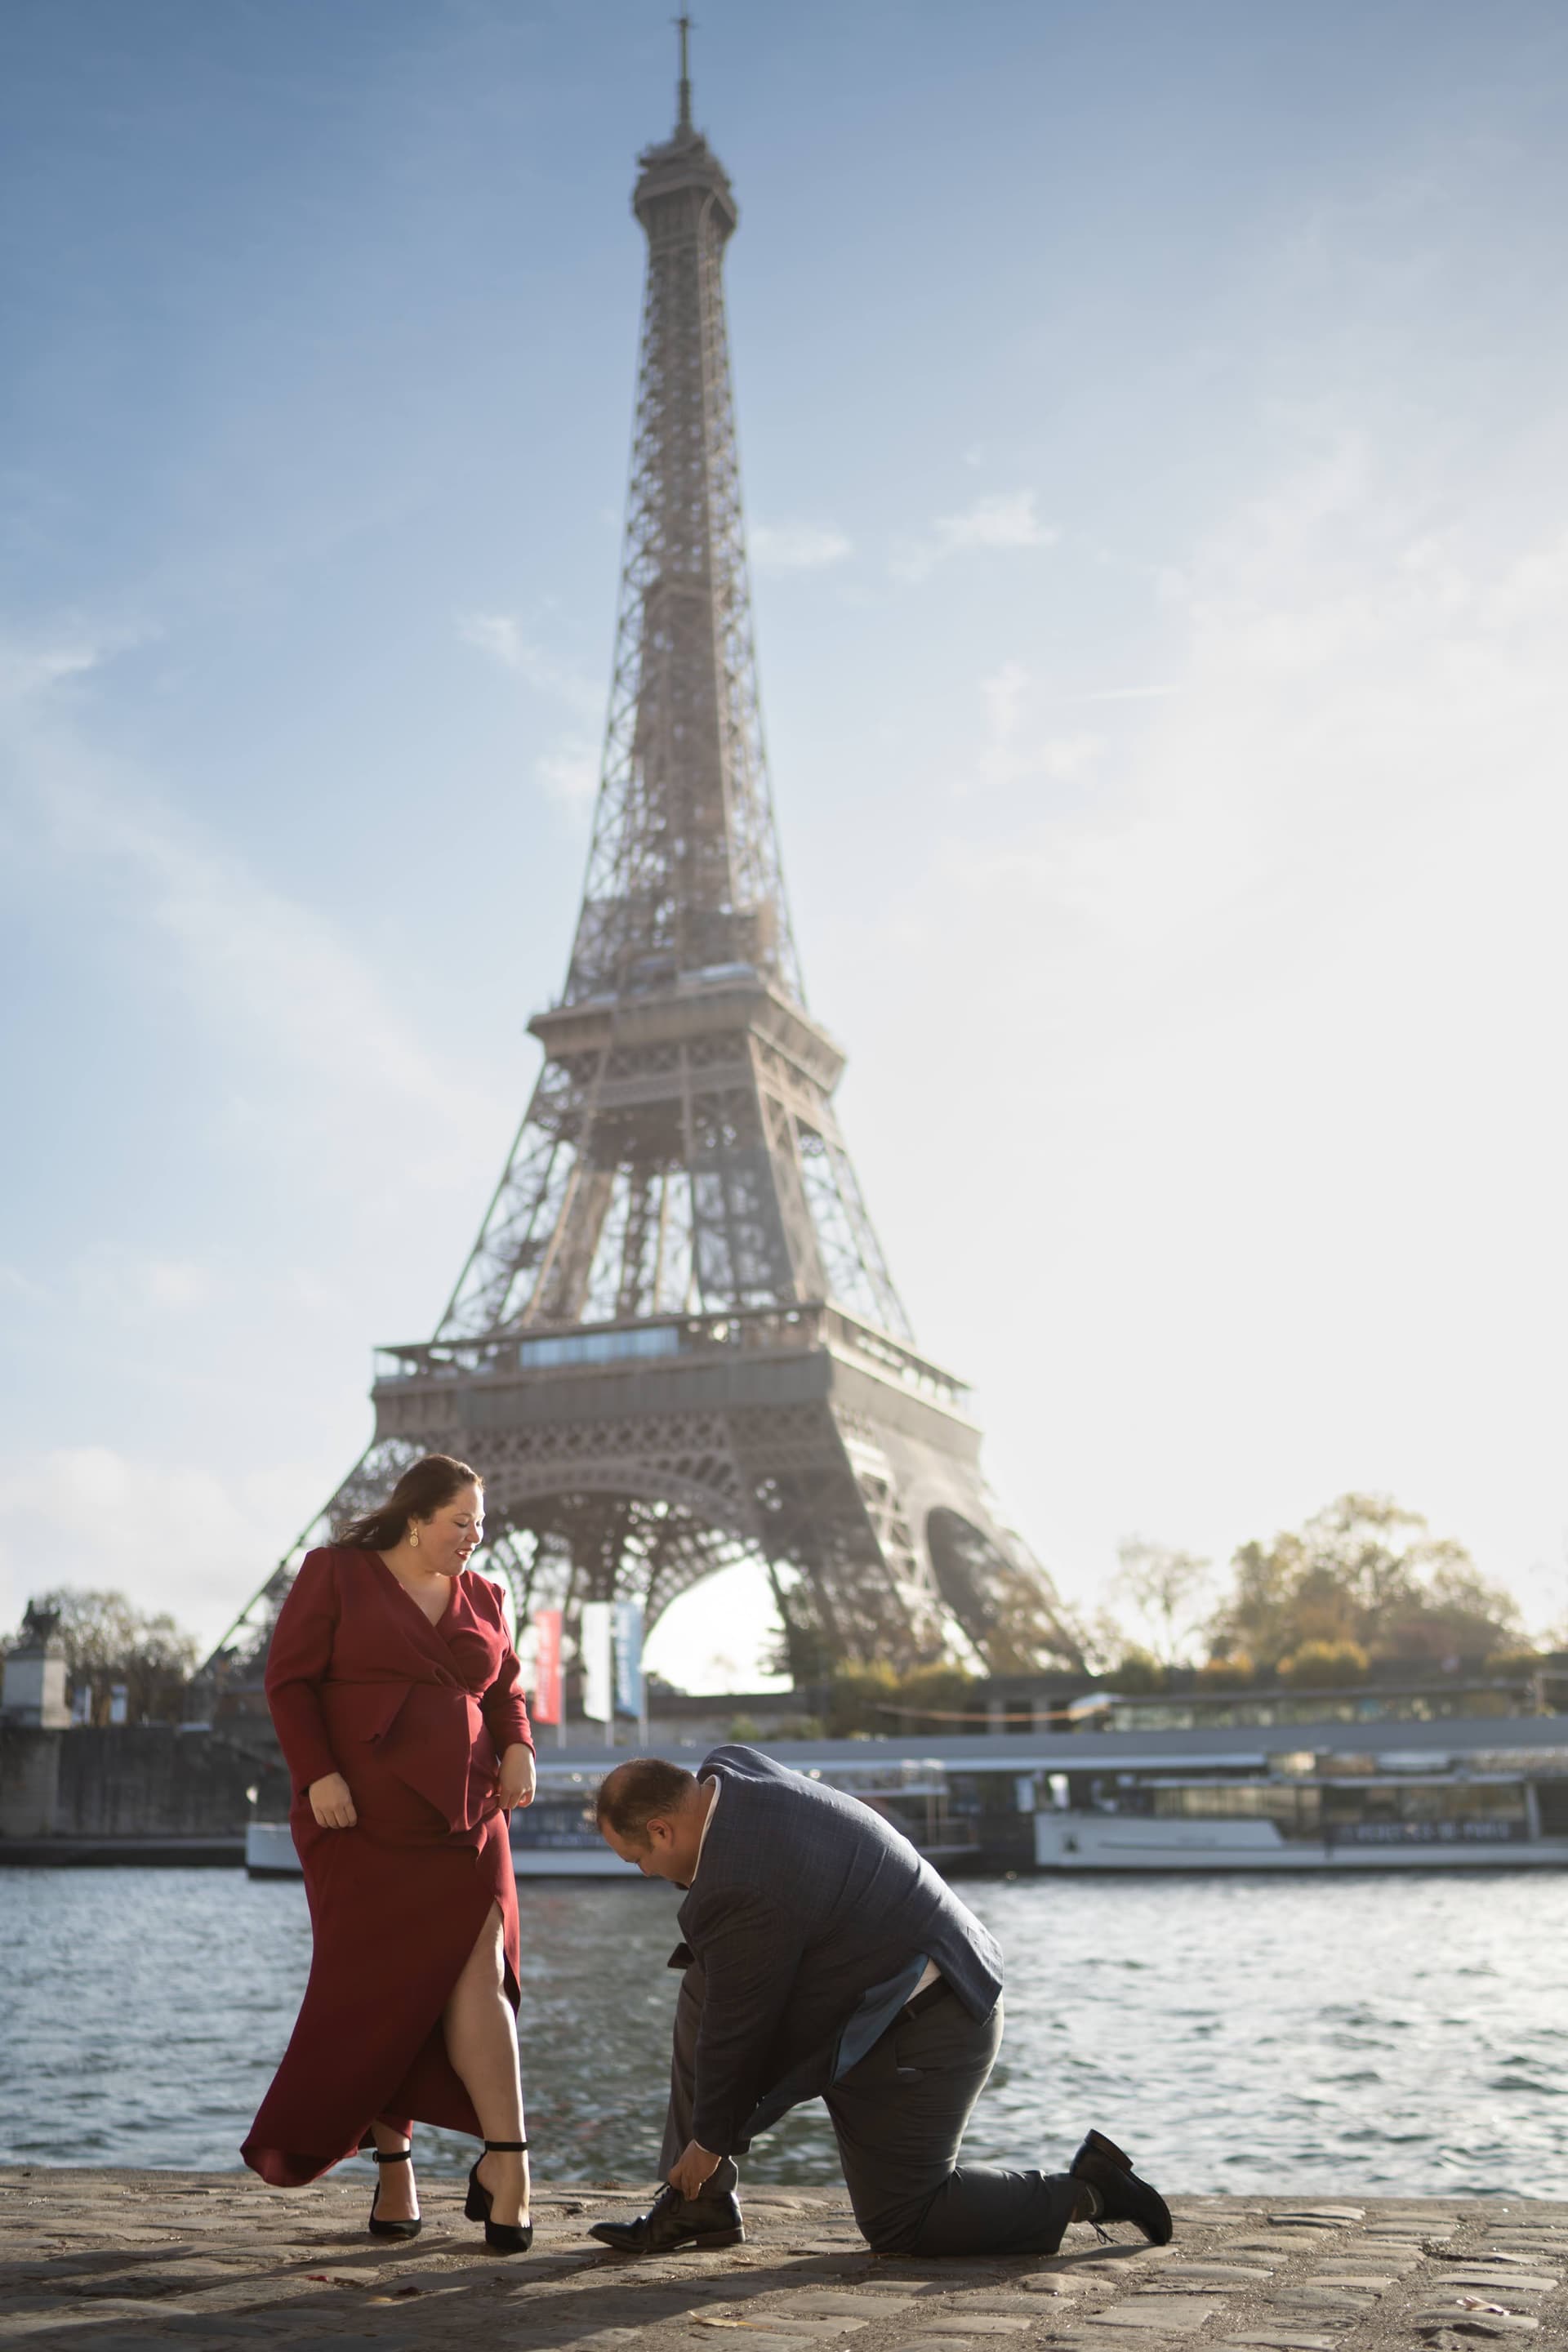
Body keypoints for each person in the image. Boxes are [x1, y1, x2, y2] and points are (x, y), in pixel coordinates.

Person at [589, 1745, 1171, 2259]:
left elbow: (737, 2031)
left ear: (663, 1830)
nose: (646, 1873)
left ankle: (1091, 2191)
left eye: (637, 1858)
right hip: (881, 1990)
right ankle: (701, 2206)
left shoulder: (739, 1884)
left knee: (903, 2222)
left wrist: (708, 2143)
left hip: (929, 2019)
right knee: (705, 1979)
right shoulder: (731, 1773)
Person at [241, 1454, 537, 2255]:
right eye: (461, 1522)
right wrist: (319, 1775)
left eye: (481, 1524)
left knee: (481, 1972)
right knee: (378, 1991)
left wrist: (520, 1747)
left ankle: (509, 2165)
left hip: (468, 1817)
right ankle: (395, 2166)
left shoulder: (487, 1595)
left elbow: (505, 1685)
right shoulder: (335, 1575)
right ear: (416, 1517)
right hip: (359, 1816)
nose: (475, 1537)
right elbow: (289, 1683)